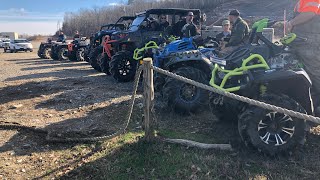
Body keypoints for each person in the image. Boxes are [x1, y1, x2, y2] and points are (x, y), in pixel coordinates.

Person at [285, 0, 320, 115]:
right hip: (300, 41)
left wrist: (291, 23)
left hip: (309, 41)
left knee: (315, 72)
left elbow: (310, 13)